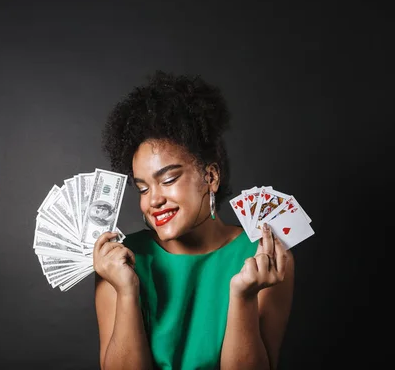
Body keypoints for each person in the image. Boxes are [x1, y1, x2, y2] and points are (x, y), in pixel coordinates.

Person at [93, 70, 294, 370]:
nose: (153, 200)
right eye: (143, 188)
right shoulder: (119, 260)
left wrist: (243, 297)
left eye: (169, 179)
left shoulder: (265, 256)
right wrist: (126, 291)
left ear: (210, 177)